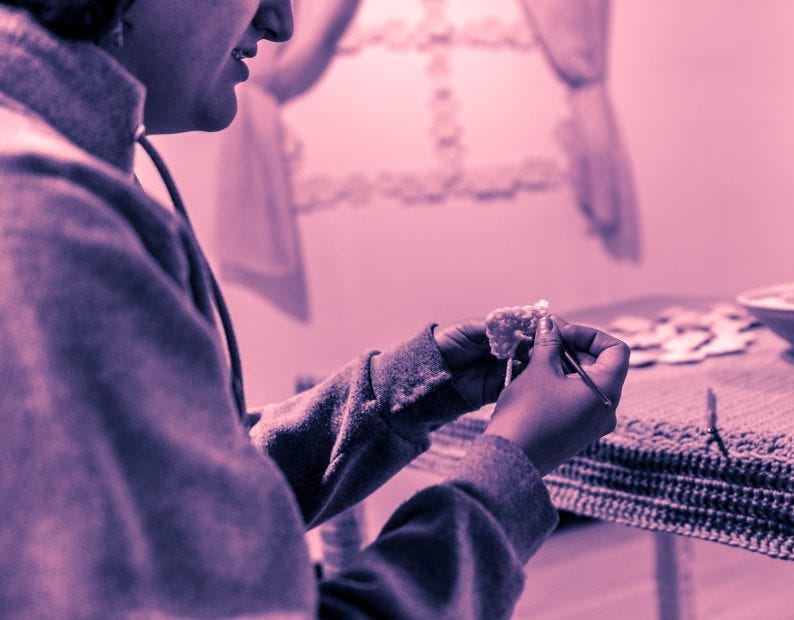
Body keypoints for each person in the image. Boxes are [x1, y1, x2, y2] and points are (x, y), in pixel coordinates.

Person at [0, 1, 631, 618]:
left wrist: (417, 382)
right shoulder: (44, 221)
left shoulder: (72, 173)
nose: (281, 22)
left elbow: (202, 507)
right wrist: (509, 469)